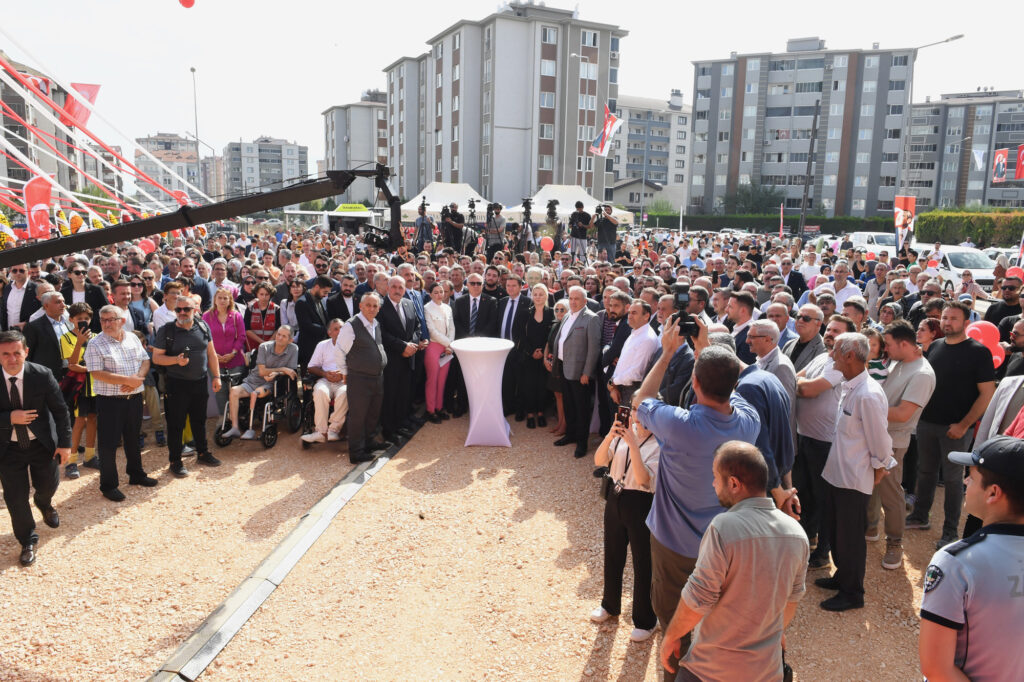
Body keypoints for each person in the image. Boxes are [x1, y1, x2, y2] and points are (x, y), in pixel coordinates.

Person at [633, 321, 760, 681]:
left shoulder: (678, 424)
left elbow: (640, 400)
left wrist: (668, 353)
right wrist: (706, 351)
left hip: (675, 545)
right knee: (717, 620)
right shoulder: (749, 423)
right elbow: (727, 388)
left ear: (695, 383)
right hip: (725, 547)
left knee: (673, 622)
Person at [661, 441, 808, 681]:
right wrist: (774, 632)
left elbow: (698, 598)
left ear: (734, 484)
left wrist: (672, 635)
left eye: (715, 477)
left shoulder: (723, 527)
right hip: (766, 671)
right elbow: (791, 600)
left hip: (710, 670)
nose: (713, 484)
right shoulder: (797, 534)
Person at [919, 436, 1024, 680]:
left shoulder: (956, 563)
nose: (966, 481)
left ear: (993, 493)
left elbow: (936, 669)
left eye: (973, 478)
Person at [817, 332, 896, 611]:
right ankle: (842, 577)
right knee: (838, 532)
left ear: (850, 356)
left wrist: (879, 469)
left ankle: (853, 593)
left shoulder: (869, 394)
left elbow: (881, 442)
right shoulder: (850, 386)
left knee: (850, 538)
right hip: (837, 473)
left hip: (853, 479)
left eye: (836, 351)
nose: (831, 355)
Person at [907, 302, 996, 548]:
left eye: (953, 319)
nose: (947, 322)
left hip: (957, 428)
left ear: (966, 323)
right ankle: (919, 516)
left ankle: (949, 532)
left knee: (954, 481)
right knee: (924, 471)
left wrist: (964, 424)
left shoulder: (979, 352)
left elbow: (986, 394)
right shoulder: (934, 346)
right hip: (927, 423)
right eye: (945, 318)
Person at [865, 320, 936, 570]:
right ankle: (871, 527)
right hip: (875, 434)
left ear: (905, 344)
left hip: (893, 442)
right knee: (870, 486)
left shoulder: (922, 374)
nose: (886, 349)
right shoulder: (897, 362)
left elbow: (904, 413)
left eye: (890, 344)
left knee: (891, 493)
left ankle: (895, 542)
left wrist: (866, 409)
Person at [0, 330, 72, 566]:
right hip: (7, 449)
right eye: (6, 354)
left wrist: (65, 444)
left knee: (48, 485)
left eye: (17, 353)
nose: (12, 359)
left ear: (26, 352)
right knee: (16, 498)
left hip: (42, 445)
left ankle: (43, 502)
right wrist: (10, 417)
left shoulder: (42, 374)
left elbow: (61, 411)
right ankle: (27, 540)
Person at [590, 412, 661, 643]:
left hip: (641, 501)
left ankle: (646, 620)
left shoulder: (659, 445)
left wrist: (633, 446)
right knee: (612, 553)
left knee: (642, 561)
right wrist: (610, 436)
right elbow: (600, 460)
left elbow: (643, 479)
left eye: (642, 418)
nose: (637, 421)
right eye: (635, 414)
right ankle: (609, 604)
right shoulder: (622, 436)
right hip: (616, 495)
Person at [84, 305, 156, 502]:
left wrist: (138, 377)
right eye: (103, 320)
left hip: (133, 399)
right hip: (109, 402)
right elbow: (96, 372)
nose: (107, 323)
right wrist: (126, 381)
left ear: (122, 321)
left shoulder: (132, 337)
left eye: (111, 319)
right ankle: (108, 486)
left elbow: (145, 360)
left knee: (133, 438)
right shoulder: (95, 344)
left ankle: (136, 474)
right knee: (108, 445)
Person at [152, 296, 222, 477]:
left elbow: (212, 354)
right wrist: (176, 360)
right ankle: (175, 461)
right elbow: (157, 357)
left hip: (199, 382)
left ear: (195, 310)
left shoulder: (203, 327)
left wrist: (217, 377)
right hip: (176, 384)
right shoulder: (167, 331)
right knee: (176, 425)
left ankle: (202, 453)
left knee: (199, 421)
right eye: (178, 309)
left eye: (186, 309)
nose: (182, 313)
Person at [337, 293, 390, 463]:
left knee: (373, 413)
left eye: (375, 306)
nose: (372, 309)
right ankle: (356, 452)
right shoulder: (351, 326)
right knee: (358, 416)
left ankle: (369, 442)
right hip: (359, 378)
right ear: (360, 306)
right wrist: (345, 373)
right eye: (368, 305)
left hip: (377, 377)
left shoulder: (376, 324)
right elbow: (339, 351)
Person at [222, 326, 298, 441]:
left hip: (272, 384)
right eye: (278, 334)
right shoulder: (264, 347)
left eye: (284, 336)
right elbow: (262, 371)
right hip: (253, 380)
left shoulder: (293, 349)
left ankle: (251, 429)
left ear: (290, 340)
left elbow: (291, 372)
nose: (279, 338)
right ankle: (235, 427)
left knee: (255, 393)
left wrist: (278, 373)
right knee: (233, 391)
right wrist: (282, 369)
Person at [553, 286, 601, 459]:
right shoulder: (567, 315)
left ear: (585, 301)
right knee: (569, 405)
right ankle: (571, 434)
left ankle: (582, 443)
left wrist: (587, 373)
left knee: (581, 409)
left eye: (577, 299)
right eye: (571, 298)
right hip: (564, 367)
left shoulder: (592, 319)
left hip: (580, 372)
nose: (573, 302)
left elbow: (594, 349)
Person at [379, 276, 425, 443]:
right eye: (394, 287)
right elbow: (382, 333)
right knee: (390, 395)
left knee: (403, 394)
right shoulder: (380, 306)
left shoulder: (409, 304)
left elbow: (418, 327)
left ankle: (400, 425)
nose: (398, 290)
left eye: (401, 287)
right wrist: (402, 347)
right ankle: (388, 431)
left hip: (408, 358)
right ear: (388, 288)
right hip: (391, 358)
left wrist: (411, 345)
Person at [301, 318, 349, 443]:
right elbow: (311, 367)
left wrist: (343, 374)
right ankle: (321, 432)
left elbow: (357, 366)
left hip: (344, 380)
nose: (339, 331)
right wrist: (324, 373)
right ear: (329, 333)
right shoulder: (322, 345)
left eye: (342, 328)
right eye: (336, 329)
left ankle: (334, 429)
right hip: (325, 379)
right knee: (320, 391)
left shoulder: (351, 345)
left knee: (345, 393)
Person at [520, 284, 554, 428]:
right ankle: (530, 413)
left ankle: (540, 413)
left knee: (542, 385)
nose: (538, 297)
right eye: (536, 294)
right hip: (529, 355)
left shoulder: (552, 313)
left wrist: (544, 353)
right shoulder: (524, 313)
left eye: (541, 294)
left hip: (546, 356)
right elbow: (520, 335)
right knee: (528, 384)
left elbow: (553, 335)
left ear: (546, 296)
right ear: (532, 296)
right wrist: (531, 351)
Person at [423, 282, 455, 424]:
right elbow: (431, 331)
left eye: (441, 291)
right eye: (435, 292)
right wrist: (448, 343)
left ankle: (439, 407)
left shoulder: (448, 308)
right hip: (434, 347)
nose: (439, 294)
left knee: (442, 380)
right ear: (430, 294)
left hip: (447, 348)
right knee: (433, 379)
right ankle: (430, 410)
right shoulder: (427, 308)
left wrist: (450, 345)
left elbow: (452, 328)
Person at [24, 291, 70, 379]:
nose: (63, 305)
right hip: (46, 376)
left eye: (63, 301)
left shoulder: (70, 323)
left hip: (70, 373)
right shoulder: (33, 327)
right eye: (58, 302)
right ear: (46, 306)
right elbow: (27, 355)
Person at [60, 263, 107, 333]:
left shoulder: (97, 289)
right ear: (69, 275)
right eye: (77, 273)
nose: (81, 274)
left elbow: (106, 308)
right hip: (72, 330)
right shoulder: (64, 292)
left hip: (95, 329)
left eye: (84, 272)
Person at [2, 264, 39, 331]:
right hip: (8, 332)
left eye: (21, 271)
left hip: (28, 332)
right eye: (15, 271)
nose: (18, 273)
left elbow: (41, 311)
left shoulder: (36, 289)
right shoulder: (7, 288)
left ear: (28, 272)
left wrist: (27, 323)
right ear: (10, 272)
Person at [244, 282, 280, 352]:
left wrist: (268, 343)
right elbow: (247, 329)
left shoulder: (276, 309)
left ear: (270, 295)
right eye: (261, 294)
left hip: (271, 347)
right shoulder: (250, 308)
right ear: (256, 294)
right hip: (253, 347)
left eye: (267, 294)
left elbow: (278, 329)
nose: (264, 297)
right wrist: (262, 342)